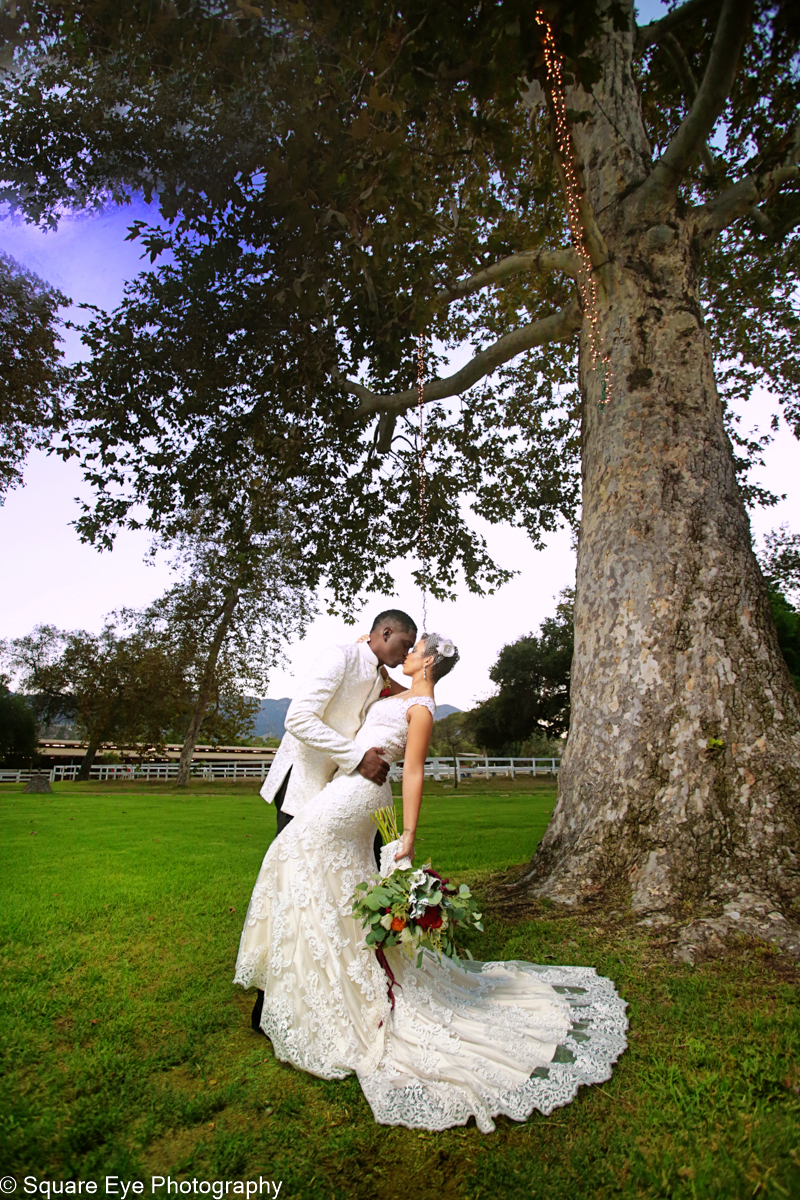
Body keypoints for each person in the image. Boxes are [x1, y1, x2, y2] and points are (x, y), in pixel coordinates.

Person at [235, 633, 628, 1133]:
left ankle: (326, 989)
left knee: (290, 852)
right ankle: (309, 982)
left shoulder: (421, 705)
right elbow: (366, 661)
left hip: (362, 793)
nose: (404, 655)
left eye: (412, 650)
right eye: (403, 646)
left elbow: (414, 772)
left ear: (426, 661)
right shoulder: (390, 690)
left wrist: (409, 835)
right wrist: (370, 645)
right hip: (345, 787)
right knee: (322, 877)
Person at [249, 609, 417, 1031]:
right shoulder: (340, 656)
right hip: (303, 783)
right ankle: (269, 996)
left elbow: (411, 695)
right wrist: (357, 756)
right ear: (385, 632)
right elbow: (298, 718)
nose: (408, 652)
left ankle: (349, 977)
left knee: (346, 882)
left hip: (341, 794)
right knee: (291, 884)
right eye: (404, 644)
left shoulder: (380, 674)